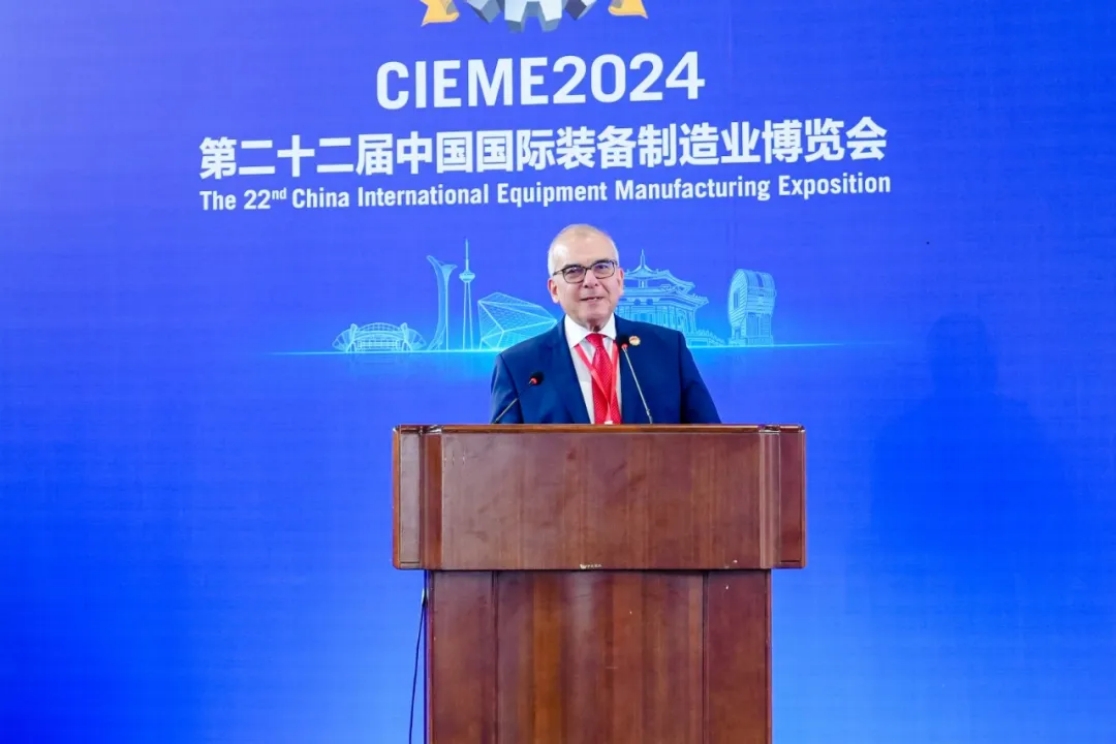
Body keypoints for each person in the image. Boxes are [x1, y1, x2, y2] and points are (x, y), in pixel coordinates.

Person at [489, 224, 721, 424]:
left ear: (619, 280)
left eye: (602, 267)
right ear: (554, 289)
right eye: (573, 271)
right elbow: (502, 454)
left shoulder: (668, 349)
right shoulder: (519, 367)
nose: (590, 281)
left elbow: (711, 441)